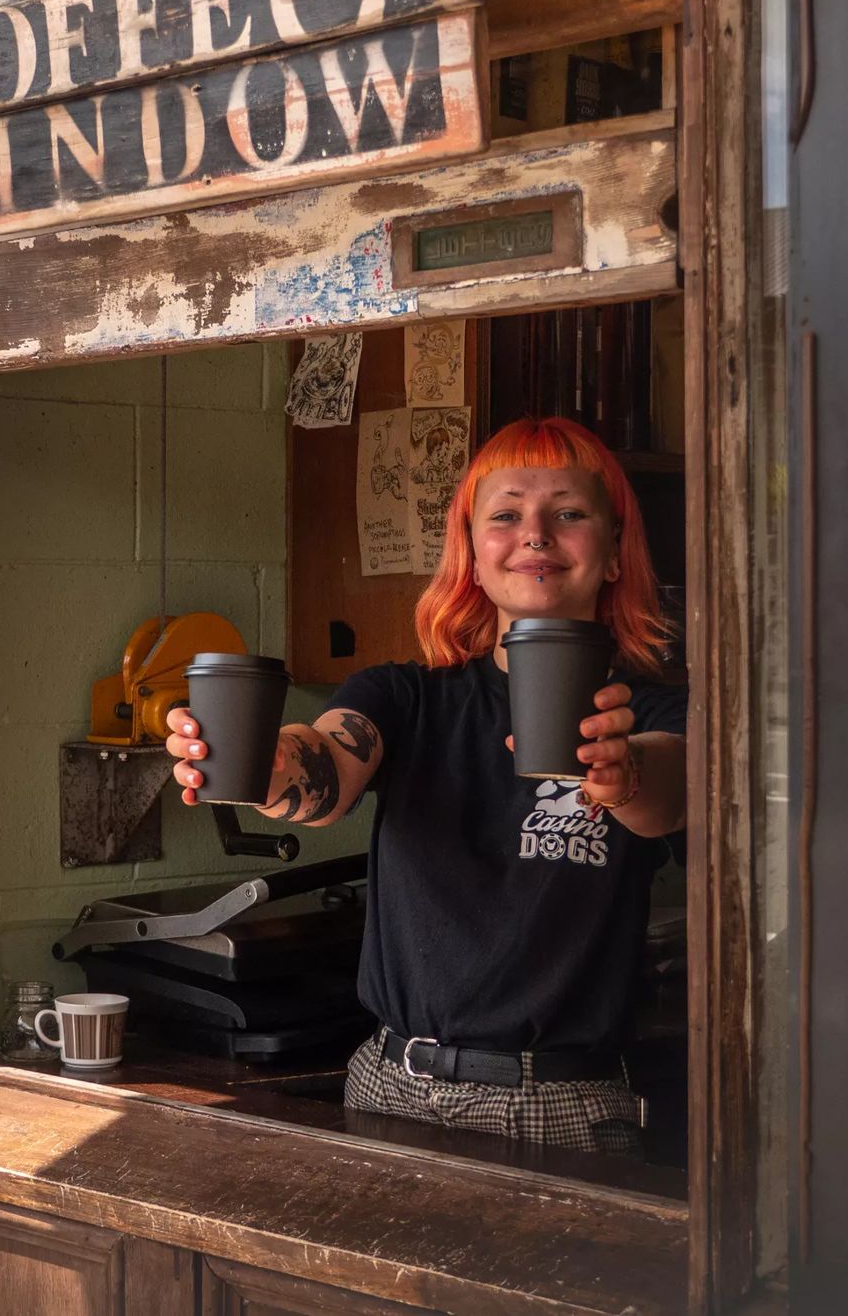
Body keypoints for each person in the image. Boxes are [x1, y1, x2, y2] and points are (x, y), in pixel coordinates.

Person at [167, 417, 686, 1154]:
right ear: (473, 557)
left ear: (611, 553)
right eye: (505, 516)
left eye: (568, 513)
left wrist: (621, 771)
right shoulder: (408, 697)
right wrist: (268, 766)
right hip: (389, 1088)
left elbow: (670, 789)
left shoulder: (657, 711)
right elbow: (326, 771)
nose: (535, 534)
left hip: (563, 1104)